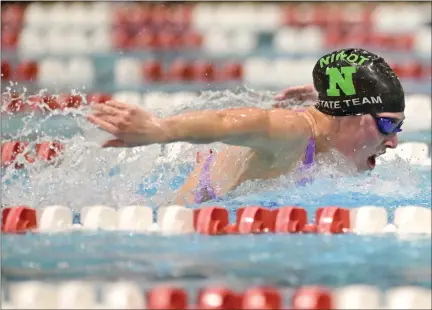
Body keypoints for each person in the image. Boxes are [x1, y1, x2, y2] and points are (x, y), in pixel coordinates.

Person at [88, 48, 406, 205]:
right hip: (193, 230)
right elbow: (234, 121)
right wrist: (160, 130)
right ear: (350, 115)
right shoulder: (295, 132)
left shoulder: (329, 129)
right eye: (387, 125)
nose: (392, 142)